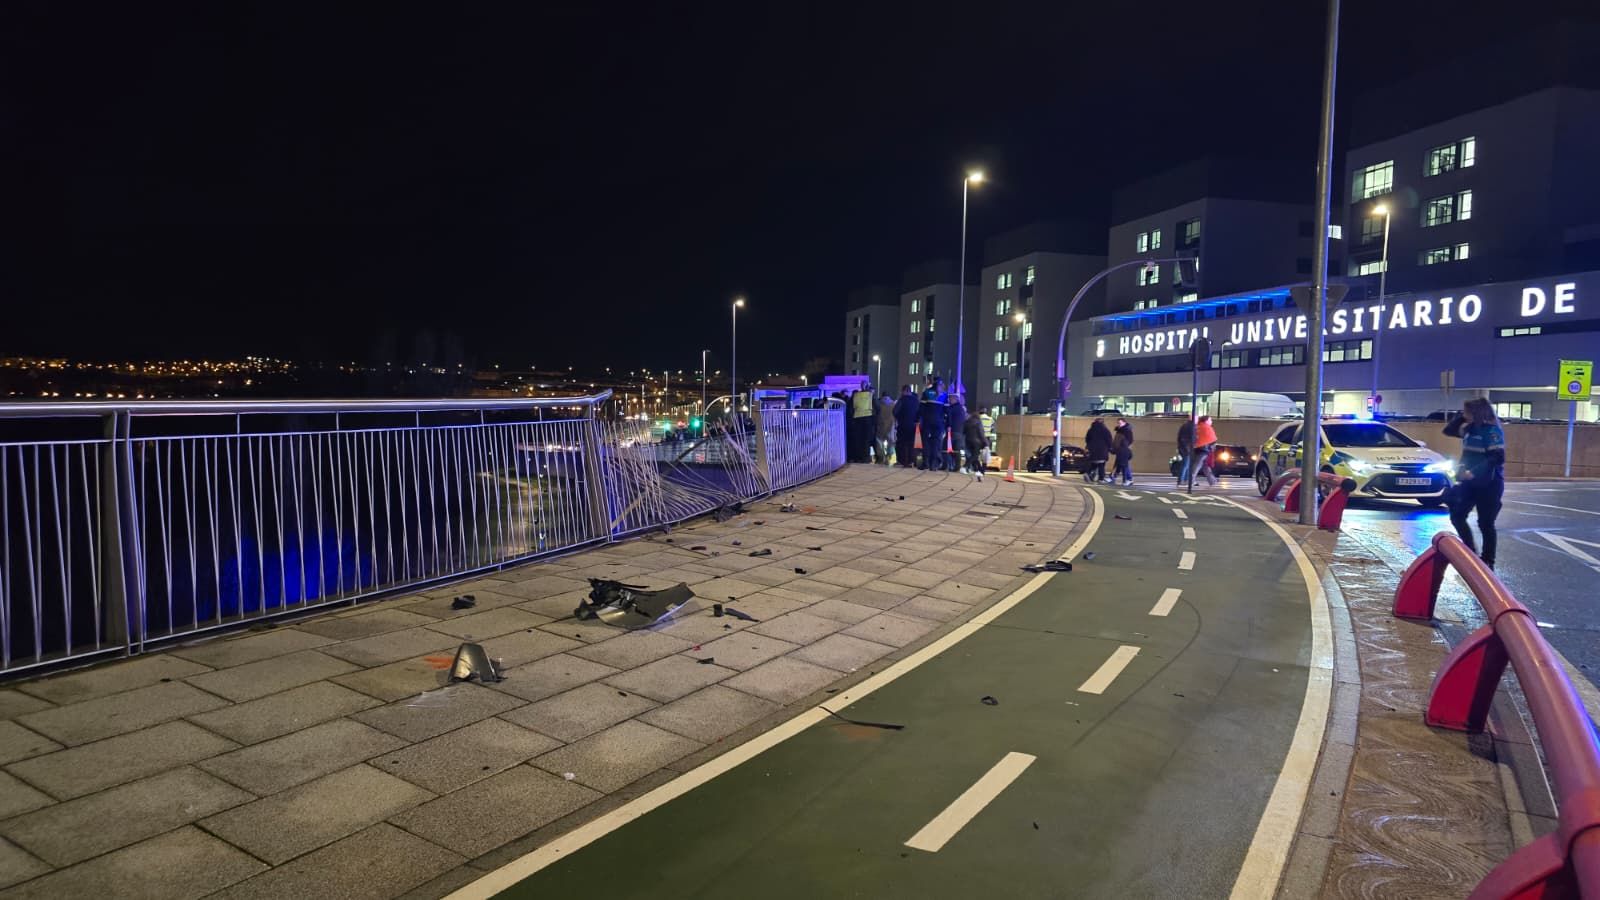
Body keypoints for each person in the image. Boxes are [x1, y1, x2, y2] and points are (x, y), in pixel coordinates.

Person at [1444, 398, 1506, 568]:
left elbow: (1497, 457)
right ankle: (1471, 553)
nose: (1464, 414)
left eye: (1467, 411)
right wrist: (1462, 417)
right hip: (1468, 483)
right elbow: (1448, 431)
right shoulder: (1469, 429)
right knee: (1457, 515)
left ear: (1477, 413)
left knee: (1485, 523)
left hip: (1489, 483)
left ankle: (1488, 561)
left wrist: (1475, 472)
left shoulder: (1491, 432)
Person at [919, 381, 948, 471]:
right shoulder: (944, 395)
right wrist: (948, 424)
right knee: (936, 443)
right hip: (938, 423)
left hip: (927, 421)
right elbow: (947, 410)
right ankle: (933, 464)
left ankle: (925, 463)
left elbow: (921, 408)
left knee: (926, 442)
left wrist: (918, 419)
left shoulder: (927, 392)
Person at [892, 385, 920, 468]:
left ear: (904, 391)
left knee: (901, 443)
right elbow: (919, 412)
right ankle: (911, 461)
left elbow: (895, 411)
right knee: (911, 444)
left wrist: (899, 418)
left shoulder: (902, 400)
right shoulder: (916, 401)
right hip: (913, 425)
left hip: (903, 425)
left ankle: (902, 461)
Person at [849, 381, 875, 463]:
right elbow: (876, 407)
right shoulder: (870, 395)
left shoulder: (856, 395)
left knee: (858, 439)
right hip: (867, 419)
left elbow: (851, 408)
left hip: (857, 419)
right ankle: (866, 458)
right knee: (866, 440)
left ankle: (858, 457)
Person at [1191, 414, 1220, 487]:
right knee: (1197, 465)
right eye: (1210, 420)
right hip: (1204, 450)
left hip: (1198, 449)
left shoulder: (1198, 426)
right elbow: (1212, 439)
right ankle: (1191, 480)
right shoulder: (1207, 427)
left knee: (1204, 466)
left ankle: (1212, 480)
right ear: (1206, 420)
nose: (1211, 421)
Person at [1084, 417, 1112, 483]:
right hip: (1102, 450)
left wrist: (1089, 446)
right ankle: (1101, 478)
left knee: (1093, 463)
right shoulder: (1105, 430)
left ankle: (1088, 473)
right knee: (1101, 465)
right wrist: (1110, 447)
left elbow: (1087, 439)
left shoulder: (1091, 430)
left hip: (1092, 450)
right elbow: (1109, 440)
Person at [963, 408, 989, 480]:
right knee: (975, 456)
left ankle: (978, 470)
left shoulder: (967, 422)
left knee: (974, 457)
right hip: (976, 442)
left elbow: (964, 431)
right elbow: (981, 433)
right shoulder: (978, 422)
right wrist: (986, 443)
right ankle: (965, 466)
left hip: (968, 441)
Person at [946, 393, 968, 472]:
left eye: (950, 399)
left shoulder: (952, 408)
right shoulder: (961, 409)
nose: (949, 400)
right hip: (960, 431)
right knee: (957, 449)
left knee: (947, 448)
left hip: (953, 431)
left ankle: (948, 465)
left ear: (954, 399)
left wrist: (948, 426)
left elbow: (949, 419)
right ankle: (957, 466)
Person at [1111, 418, 1135, 485]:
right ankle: (1113, 477)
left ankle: (1128, 479)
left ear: (1124, 423)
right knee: (1118, 464)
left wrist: (1124, 448)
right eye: (1118, 423)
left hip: (1123, 450)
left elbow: (1129, 441)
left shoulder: (1126, 431)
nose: (1119, 424)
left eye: (1120, 423)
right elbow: (1116, 441)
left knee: (1124, 465)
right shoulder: (1120, 430)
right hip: (1120, 450)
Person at [875, 392, 896, 465]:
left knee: (879, 441)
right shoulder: (893, 404)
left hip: (880, 425)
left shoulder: (878, 403)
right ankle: (888, 455)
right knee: (891, 442)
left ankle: (881, 457)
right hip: (891, 425)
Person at [1176, 417, 1196, 486]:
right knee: (1185, 464)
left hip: (1184, 448)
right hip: (1186, 448)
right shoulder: (1190, 426)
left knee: (1186, 464)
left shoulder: (1186, 425)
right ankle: (1182, 480)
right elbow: (1185, 438)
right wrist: (1188, 448)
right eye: (1196, 418)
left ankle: (1185, 480)